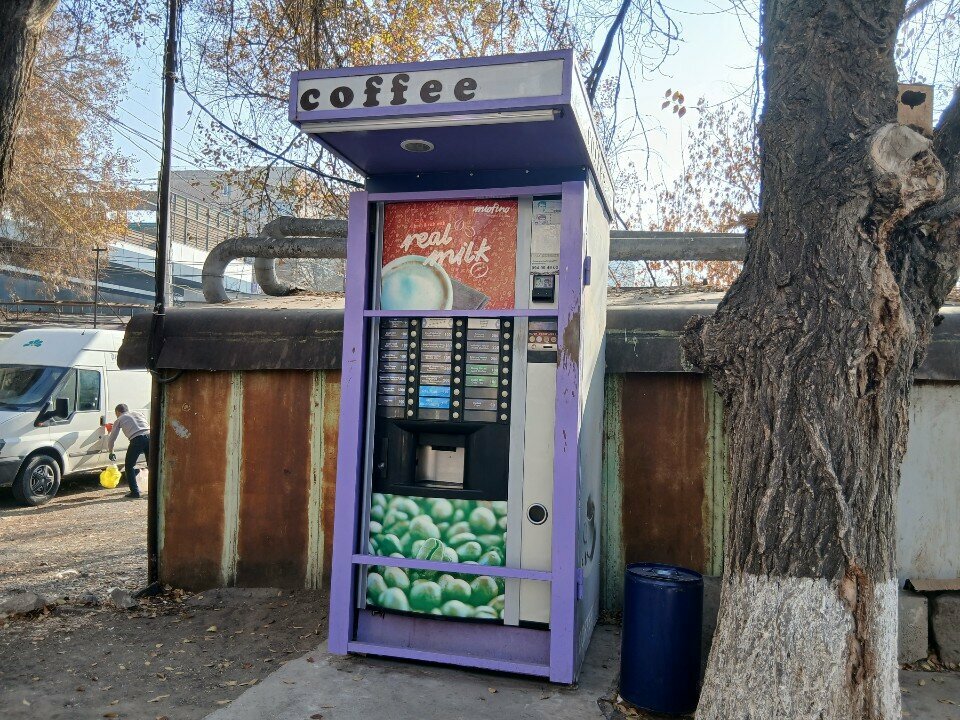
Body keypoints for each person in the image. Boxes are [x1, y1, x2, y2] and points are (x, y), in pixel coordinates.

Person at [107, 403, 150, 499]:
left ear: (117, 412)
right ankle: (154, 490)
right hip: (151, 437)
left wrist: (111, 451)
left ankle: (135, 492)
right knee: (152, 465)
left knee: (129, 466)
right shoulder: (138, 413)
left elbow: (112, 438)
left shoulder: (120, 419)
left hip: (137, 439)